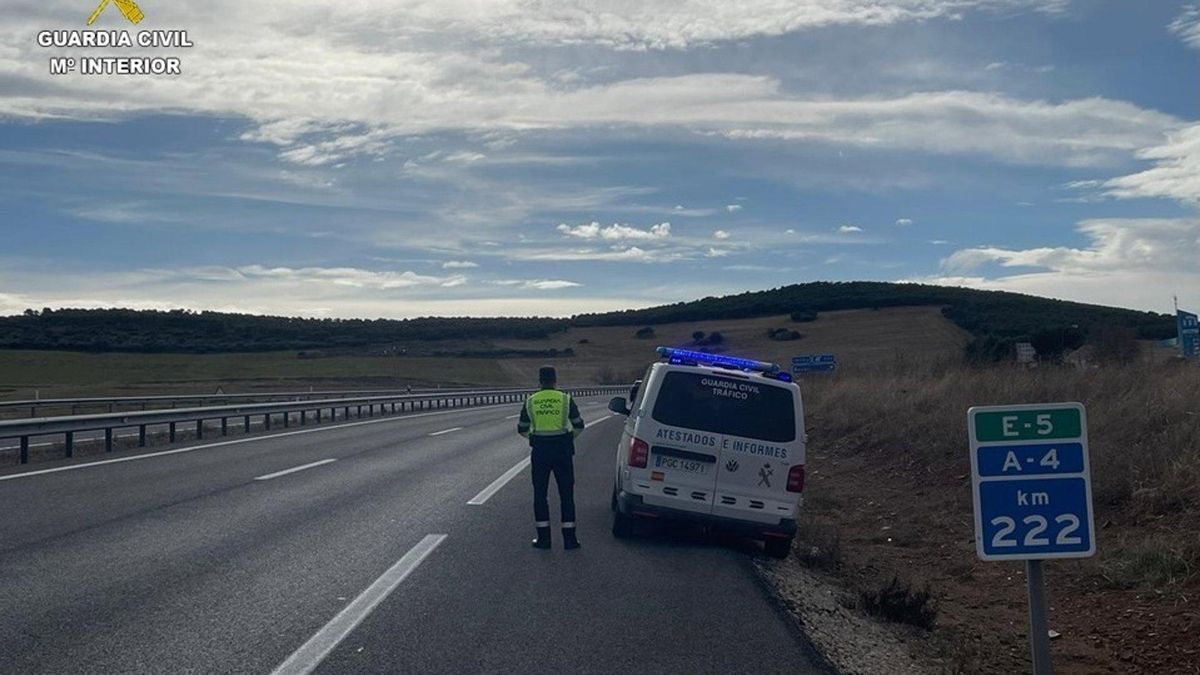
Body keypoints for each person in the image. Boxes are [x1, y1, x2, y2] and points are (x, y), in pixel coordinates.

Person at [517, 366, 585, 550]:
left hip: (540, 451)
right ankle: (570, 540)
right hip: (563, 451)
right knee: (566, 495)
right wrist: (567, 438)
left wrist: (535, 437)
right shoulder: (565, 399)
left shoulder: (531, 401)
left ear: (539, 381)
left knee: (540, 495)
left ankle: (544, 540)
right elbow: (579, 425)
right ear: (555, 380)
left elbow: (522, 428)